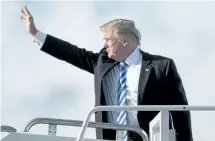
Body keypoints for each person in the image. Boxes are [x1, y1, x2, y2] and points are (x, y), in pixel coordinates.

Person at [21, 6, 193, 141]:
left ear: (124, 41)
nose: (104, 45)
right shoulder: (102, 62)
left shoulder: (162, 66)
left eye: (108, 39)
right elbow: (71, 53)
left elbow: (181, 113)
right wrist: (35, 33)